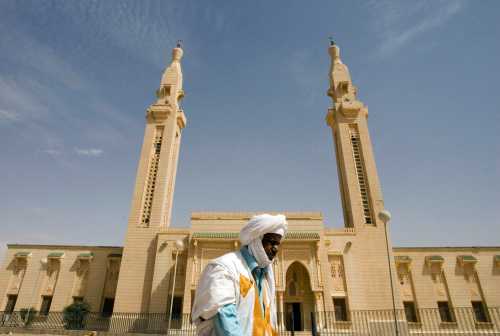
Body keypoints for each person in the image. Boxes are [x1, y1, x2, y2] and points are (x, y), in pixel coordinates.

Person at [191, 214, 287, 336]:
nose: (275, 249)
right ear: (256, 240)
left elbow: (266, 325)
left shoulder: (265, 277)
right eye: (271, 242)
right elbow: (226, 323)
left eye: (278, 244)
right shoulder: (224, 268)